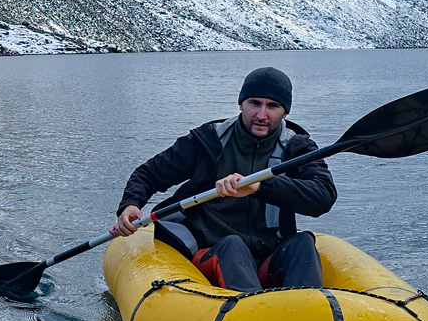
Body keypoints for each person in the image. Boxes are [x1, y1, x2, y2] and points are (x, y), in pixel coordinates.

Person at [110, 67, 336, 293]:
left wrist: (260, 186)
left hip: (267, 255)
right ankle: (249, 314)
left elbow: (323, 196)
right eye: (254, 103)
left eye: (272, 106)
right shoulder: (208, 140)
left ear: (285, 112)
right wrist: (130, 204)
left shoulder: (297, 148)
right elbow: (148, 173)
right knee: (233, 244)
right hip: (211, 251)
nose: (261, 115)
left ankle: (310, 313)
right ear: (241, 104)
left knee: (302, 243)